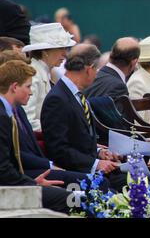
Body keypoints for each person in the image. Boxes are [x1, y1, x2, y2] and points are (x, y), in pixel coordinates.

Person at [41, 44, 126, 191]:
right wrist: (95, 163)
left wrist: (99, 152)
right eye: (97, 69)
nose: (97, 73)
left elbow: (78, 139)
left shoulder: (75, 94)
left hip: (91, 167)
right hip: (77, 174)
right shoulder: (58, 99)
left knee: (141, 176)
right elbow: (58, 149)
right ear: (89, 69)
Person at [0, 60, 69, 214]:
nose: (31, 92)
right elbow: (3, 168)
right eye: (28, 86)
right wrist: (32, 183)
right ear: (14, 87)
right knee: (68, 199)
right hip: (6, 188)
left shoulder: (7, 113)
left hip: (13, 180)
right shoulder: (2, 116)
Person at [22, 23, 76, 132]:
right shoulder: (34, 75)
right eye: (61, 48)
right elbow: (28, 120)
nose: (65, 54)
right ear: (45, 52)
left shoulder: (42, 72)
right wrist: (61, 127)